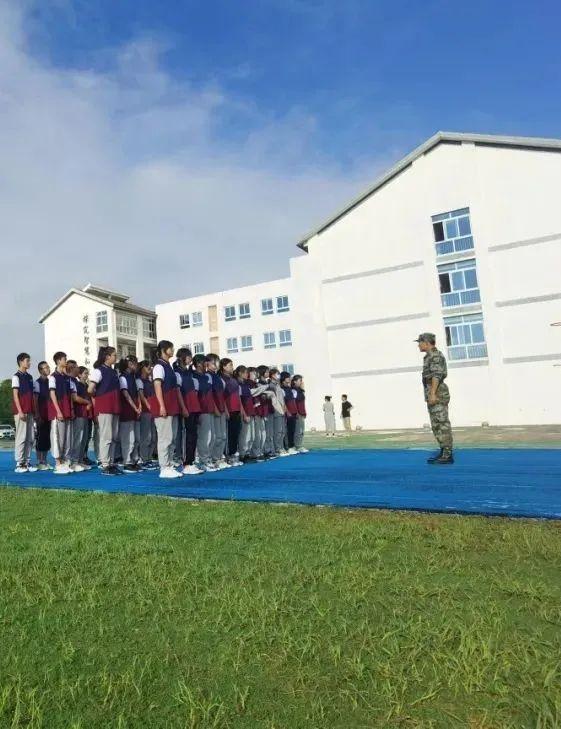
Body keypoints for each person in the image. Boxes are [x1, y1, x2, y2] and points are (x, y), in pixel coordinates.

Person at [147, 340, 184, 479]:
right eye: (171, 348)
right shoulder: (158, 366)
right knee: (165, 438)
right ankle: (164, 467)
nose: (173, 350)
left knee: (172, 438)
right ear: (164, 350)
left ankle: (169, 464)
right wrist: (161, 405)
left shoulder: (168, 366)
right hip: (164, 407)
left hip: (172, 407)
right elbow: (157, 386)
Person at [416, 332, 454, 464]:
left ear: (427, 343)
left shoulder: (435, 356)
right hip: (432, 393)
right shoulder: (428, 357)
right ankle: (443, 451)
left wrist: (432, 393)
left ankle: (447, 454)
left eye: (420, 343)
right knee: (436, 425)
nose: (418, 345)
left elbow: (437, 375)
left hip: (437, 394)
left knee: (442, 423)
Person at [88, 346, 122, 476]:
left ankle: (111, 463)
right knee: (106, 437)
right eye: (114, 355)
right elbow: (90, 389)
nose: (116, 357)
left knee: (114, 437)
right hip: (105, 407)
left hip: (114, 407)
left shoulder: (113, 372)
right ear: (107, 356)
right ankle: (105, 464)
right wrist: (101, 396)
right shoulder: (98, 371)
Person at [174, 348, 203, 475]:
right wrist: (184, 408)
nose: (191, 359)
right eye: (189, 356)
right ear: (182, 357)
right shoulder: (177, 372)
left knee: (193, 435)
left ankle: (190, 462)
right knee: (187, 436)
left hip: (194, 406)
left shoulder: (188, 372)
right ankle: (186, 463)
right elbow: (178, 391)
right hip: (186, 407)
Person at [48, 351, 75, 474]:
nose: (66, 361)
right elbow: (52, 394)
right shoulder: (53, 377)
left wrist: (72, 409)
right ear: (58, 361)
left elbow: (70, 396)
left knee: (67, 437)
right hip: (58, 412)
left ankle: (65, 461)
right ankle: (58, 463)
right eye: (64, 359)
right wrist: (58, 411)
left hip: (68, 411)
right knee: (58, 437)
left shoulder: (67, 378)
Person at [11, 352, 37, 473]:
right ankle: (19, 463)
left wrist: (34, 411)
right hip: (21, 411)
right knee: (21, 437)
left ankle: (26, 461)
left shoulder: (30, 377)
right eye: (27, 360)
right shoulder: (16, 377)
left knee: (30, 437)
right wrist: (20, 411)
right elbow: (15, 395)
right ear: (21, 362)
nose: (29, 363)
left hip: (30, 410)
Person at [118, 356, 142, 473]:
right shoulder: (123, 377)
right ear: (129, 364)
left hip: (135, 411)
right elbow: (126, 394)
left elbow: (137, 393)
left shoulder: (133, 377)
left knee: (136, 438)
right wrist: (135, 407)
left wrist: (139, 406)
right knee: (128, 438)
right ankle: (127, 462)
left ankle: (134, 460)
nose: (136, 366)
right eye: (135, 363)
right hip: (127, 411)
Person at [193, 353, 217, 472]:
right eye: (204, 362)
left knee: (212, 436)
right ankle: (202, 460)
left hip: (209, 410)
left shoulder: (207, 376)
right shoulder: (194, 376)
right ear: (198, 364)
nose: (206, 364)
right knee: (204, 437)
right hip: (200, 410)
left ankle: (206, 459)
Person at [67, 360, 90, 472]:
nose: (77, 369)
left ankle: (80, 460)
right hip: (78, 413)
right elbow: (75, 398)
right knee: (78, 438)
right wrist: (87, 402)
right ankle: (74, 462)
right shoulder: (74, 382)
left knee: (84, 439)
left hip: (85, 414)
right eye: (76, 367)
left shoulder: (82, 384)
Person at [221, 358, 244, 466]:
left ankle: (234, 454)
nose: (232, 367)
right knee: (228, 434)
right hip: (229, 410)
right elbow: (222, 397)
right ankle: (228, 456)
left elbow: (238, 397)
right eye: (230, 365)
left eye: (232, 365)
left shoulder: (234, 380)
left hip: (236, 410)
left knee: (235, 434)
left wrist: (241, 409)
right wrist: (226, 410)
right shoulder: (222, 379)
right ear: (224, 367)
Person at [208, 354, 229, 469]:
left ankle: (219, 456)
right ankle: (213, 458)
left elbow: (222, 395)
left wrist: (225, 409)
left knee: (222, 435)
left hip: (221, 409)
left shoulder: (218, 377)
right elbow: (209, 394)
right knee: (215, 436)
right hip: (215, 410)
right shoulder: (208, 376)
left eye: (217, 362)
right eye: (214, 362)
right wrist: (215, 408)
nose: (216, 365)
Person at [136, 360, 158, 469]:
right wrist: (148, 406)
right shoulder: (139, 381)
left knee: (153, 437)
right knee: (146, 436)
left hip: (153, 411)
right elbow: (141, 395)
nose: (150, 369)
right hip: (146, 412)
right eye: (148, 367)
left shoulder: (150, 381)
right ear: (142, 368)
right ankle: (144, 459)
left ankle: (149, 458)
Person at [34, 361, 52, 469]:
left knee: (47, 438)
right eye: (45, 368)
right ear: (40, 370)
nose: (48, 369)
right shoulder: (37, 383)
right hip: (41, 415)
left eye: (48, 367)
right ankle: (39, 461)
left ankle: (45, 460)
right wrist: (37, 414)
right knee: (40, 438)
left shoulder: (50, 382)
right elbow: (35, 400)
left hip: (50, 414)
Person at [270, 368, 289, 456]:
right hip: (277, 410)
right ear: (273, 375)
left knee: (282, 431)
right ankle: (277, 448)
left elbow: (281, 398)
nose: (279, 376)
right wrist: (279, 407)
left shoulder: (278, 385)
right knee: (277, 431)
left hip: (282, 409)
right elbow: (274, 400)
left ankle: (281, 447)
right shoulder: (271, 385)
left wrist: (284, 406)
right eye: (277, 374)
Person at [281, 371, 298, 454]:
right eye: (288, 377)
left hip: (294, 412)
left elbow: (293, 400)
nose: (290, 379)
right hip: (288, 413)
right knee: (286, 431)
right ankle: (287, 447)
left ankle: (292, 445)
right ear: (284, 379)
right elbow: (283, 402)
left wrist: (296, 411)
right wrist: (287, 412)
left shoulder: (289, 388)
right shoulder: (282, 389)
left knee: (292, 430)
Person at [292, 375, 308, 453]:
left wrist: (304, 412)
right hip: (298, 413)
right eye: (300, 380)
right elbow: (294, 402)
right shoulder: (294, 390)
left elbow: (302, 403)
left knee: (302, 430)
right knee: (298, 430)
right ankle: (297, 446)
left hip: (302, 413)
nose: (301, 382)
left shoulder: (300, 390)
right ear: (294, 381)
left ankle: (300, 445)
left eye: (301, 380)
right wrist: (297, 412)